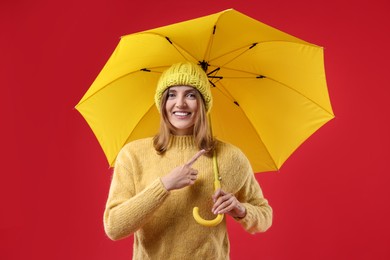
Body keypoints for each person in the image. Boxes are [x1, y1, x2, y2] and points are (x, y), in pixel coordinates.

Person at [103, 61, 272, 259]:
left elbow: (264, 216)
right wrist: (164, 185)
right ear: (162, 102)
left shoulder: (231, 157)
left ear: (203, 103)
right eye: (172, 94)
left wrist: (240, 209)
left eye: (191, 95)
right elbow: (114, 227)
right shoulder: (133, 155)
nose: (180, 103)